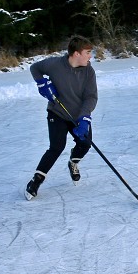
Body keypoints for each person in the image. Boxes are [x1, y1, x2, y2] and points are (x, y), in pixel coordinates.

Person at [25, 35, 98, 200]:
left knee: (85, 144)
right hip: (57, 113)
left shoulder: (88, 71)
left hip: (78, 115)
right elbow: (35, 68)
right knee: (56, 147)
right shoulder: (54, 64)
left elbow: (91, 97)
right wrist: (41, 84)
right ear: (76, 54)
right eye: (87, 52)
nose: (90, 56)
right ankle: (36, 180)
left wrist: (85, 118)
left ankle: (73, 162)